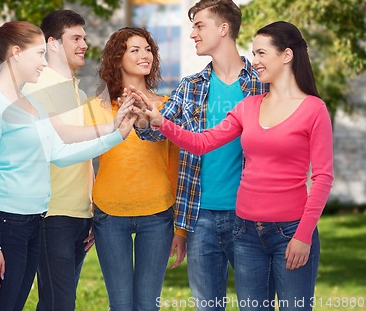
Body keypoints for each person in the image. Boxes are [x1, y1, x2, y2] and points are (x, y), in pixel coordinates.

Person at [134, 21, 334, 311]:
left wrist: (303, 235)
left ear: (287, 55)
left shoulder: (314, 109)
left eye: (262, 53)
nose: (256, 61)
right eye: (254, 53)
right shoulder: (249, 106)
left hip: (290, 232)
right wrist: (161, 122)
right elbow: (202, 143)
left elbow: (323, 177)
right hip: (246, 233)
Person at [0, 21, 136, 311]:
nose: (43, 62)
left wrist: (115, 135)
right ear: (16, 53)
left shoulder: (30, 105)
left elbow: (59, 153)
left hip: (34, 222)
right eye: (38, 54)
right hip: (6, 226)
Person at [133, 0, 268, 310]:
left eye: (199, 26)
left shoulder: (262, 84)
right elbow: (159, 131)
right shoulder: (190, 86)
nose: (192, 33)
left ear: (223, 29)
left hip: (250, 215)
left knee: (256, 304)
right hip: (201, 216)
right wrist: (143, 117)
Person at [86, 27, 180, 311]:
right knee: (122, 304)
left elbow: (176, 163)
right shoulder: (97, 108)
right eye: (135, 49)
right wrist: (86, 210)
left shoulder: (166, 106)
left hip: (158, 215)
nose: (145, 55)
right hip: (109, 215)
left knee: (148, 305)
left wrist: (181, 228)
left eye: (148, 49)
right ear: (118, 58)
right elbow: (81, 161)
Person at [21, 9, 103, 311]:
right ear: (53, 43)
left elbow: (86, 158)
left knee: (61, 300)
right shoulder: (36, 88)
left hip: (79, 214)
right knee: (59, 301)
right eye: (76, 38)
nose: (84, 44)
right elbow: (61, 141)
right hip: (50, 214)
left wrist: (92, 207)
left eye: (84, 38)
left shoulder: (79, 93)